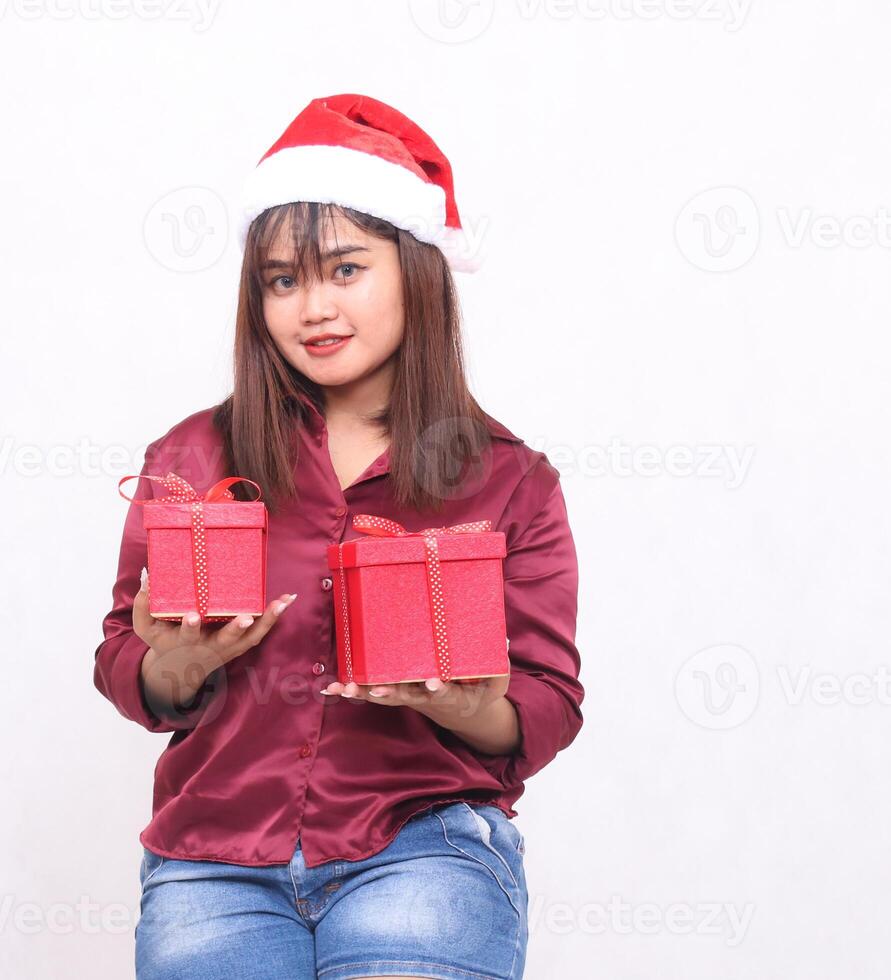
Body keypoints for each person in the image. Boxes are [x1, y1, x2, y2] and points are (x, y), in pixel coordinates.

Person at [93, 93, 584, 980]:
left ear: (415, 269)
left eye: (345, 270)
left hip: (421, 849)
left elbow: (547, 706)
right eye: (283, 280)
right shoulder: (191, 455)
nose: (311, 307)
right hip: (213, 863)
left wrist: (455, 703)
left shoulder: (511, 479)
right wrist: (179, 664)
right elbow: (127, 664)